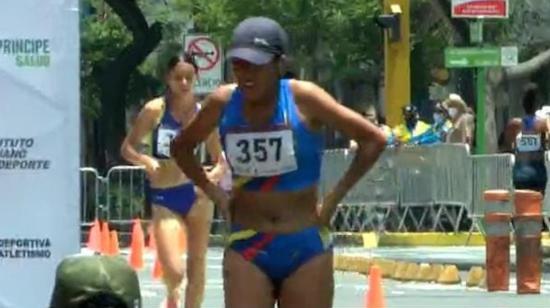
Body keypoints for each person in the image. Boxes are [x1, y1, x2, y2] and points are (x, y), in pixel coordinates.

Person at [171, 16, 386, 308]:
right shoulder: (222, 101)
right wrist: (215, 194)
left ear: (279, 64)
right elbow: (181, 147)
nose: (245, 75)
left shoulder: (304, 98)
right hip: (248, 242)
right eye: (238, 65)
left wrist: (334, 199)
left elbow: (373, 140)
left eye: (255, 66)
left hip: (305, 245)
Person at [120, 51, 225, 308]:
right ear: (168, 78)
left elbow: (221, 159)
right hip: (164, 196)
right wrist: (145, 161)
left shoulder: (204, 113)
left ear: (197, 77)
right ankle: (171, 292)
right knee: (175, 271)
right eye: (179, 78)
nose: (185, 83)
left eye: (189, 77)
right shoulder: (155, 110)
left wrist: (210, 178)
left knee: (197, 265)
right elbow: (127, 148)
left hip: (197, 196)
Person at [503, 83, 549, 193]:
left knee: (522, 206)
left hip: (520, 173)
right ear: (537, 104)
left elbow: (506, 146)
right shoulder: (542, 124)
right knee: (536, 206)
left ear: (522, 103)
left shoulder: (514, 125)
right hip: (538, 174)